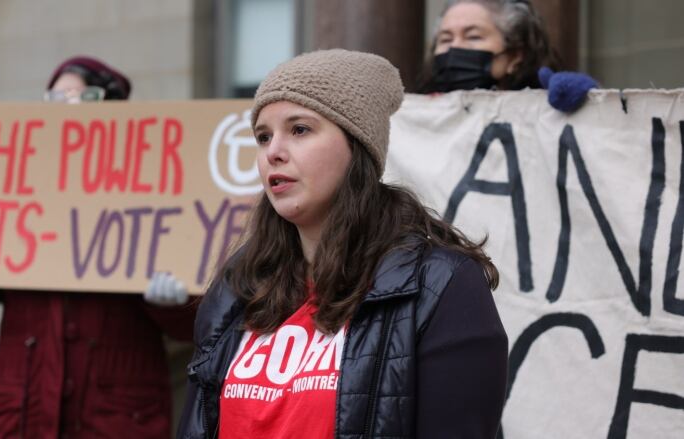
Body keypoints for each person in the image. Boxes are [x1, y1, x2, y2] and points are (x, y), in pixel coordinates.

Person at [178, 49, 508, 439]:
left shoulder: (440, 285)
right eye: (263, 136)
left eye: (299, 129)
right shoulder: (237, 287)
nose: (273, 152)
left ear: (358, 147)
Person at [0, 56, 194, 439]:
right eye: (56, 99)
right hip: (18, 422)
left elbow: (197, 326)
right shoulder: (14, 202)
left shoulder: (156, 202)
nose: (69, 109)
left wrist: (171, 301)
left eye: (85, 96)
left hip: (113, 424)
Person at [420, 0, 597, 112]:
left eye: (473, 36)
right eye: (445, 39)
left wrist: (590, 108)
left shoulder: (541, 116)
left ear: (514, 56)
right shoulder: (413, 117)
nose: (455, 47)